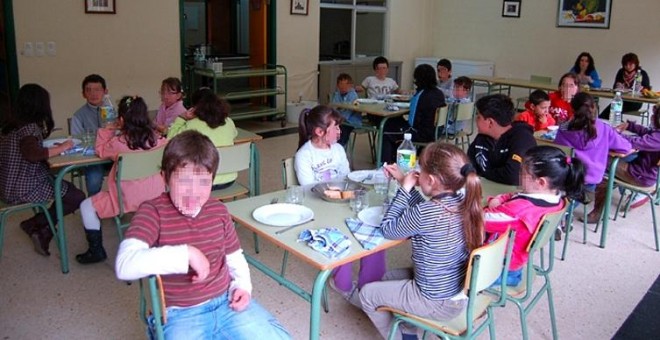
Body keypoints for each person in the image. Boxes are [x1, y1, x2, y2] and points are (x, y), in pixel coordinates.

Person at [115, 131, 291, 339]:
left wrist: (242, 285)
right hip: (180, 313)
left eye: (203, 182)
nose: (194, 192)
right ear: (165, 177)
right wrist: (187, 254)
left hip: (225, 302)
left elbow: (234, 257)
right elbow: (124, 264)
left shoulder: (218, 211)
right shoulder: (153, 212)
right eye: (184, 181)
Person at [359, 142, 483, 340]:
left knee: (367, 294)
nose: (416, 172)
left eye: (420, 169)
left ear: (431, 180)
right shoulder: (462, 201)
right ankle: (409, 331)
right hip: (456, 290)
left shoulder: (427, 213)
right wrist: (402, 180)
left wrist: (405, 189)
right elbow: (423, 213)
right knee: (388, 277)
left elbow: (389, 229)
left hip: (436, 300)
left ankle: (399, 337)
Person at [76, 96, 167, 264]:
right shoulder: (160, 141)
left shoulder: (118, 143)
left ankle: (96, 250)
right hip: (157, 199)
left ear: (122, 120)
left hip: (125, 200)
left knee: (86, 206)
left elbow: (100, 150)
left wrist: (108, 128)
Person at [0, 84, 85, 256]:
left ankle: (39, 225)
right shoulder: (29, 128)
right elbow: (32, 154)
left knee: (65, 187)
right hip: (22, 187)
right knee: (76, 196)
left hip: (7, 185)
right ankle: (38, 225)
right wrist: (63, 148)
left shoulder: (10, 126)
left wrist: (55, 148)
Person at [484, 145, 585, 286]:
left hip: (501, 268)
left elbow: (480, 220)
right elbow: (515, 195)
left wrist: (492, 203)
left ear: (541, 182)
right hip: (518, 259)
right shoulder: (556, 198)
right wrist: (499, 200)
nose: (518, 175)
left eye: (522, 173)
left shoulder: (519, 211)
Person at [585, 104, 660, 223]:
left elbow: (635, 142)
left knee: (601, 160)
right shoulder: (657, 134)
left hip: (640, 175)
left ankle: (590, 201)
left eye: (654, 115)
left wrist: (613, 134)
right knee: (606, 174)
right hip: (643, 171)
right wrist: (630, 125)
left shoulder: (658, 138)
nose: (652, 117)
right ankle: (597, 211)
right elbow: (648, 132)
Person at [554, 93, 632, 203]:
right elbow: (626, 147)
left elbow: (558, 151)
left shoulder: (563, 129)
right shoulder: (604, 128)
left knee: (565, 198)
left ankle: (563, 210)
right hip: (589, 183)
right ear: (594, 107)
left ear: (572, 109)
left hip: (565, 179)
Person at [168, 88, 238, 190]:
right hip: (229, 179)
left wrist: (181, 117)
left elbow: (170, 139)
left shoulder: (192, 125)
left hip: (202, 182)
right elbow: (234, 134)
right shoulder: (229, 121)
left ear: (195, 107)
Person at [380, 64, 446, 164]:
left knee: (386, 129)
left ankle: (386, 164)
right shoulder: (439, 93)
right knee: (395, 122)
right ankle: (396, 159)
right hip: (436, 132)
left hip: (421, 134)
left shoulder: (420, 95)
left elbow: (412, 122)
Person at [468, 94, 536, 185]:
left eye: (478, 117)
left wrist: (484, 174)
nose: (476, 120)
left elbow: (513, 176)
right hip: (487, 190)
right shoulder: (482, 138)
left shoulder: (523, 139)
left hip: (509, 195)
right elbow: (467, 164)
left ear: (490, 122)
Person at [71, 74, 111, 196]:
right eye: (89, 90)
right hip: (93, 158)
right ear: (83, 94)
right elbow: (76, 140)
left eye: (97, 90)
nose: (93, 94)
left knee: (127, 173)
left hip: (113, 154)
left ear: (105, 91)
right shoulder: (79, 115)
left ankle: (118, 204)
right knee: (94, 178)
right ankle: (93, 206)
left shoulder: (112, 110)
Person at [294, 105, 350, 185]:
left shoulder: (339, 149)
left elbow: (346, 178)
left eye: (339, 127)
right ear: (320, 132)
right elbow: (308, 187)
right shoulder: (304, 155)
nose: (339, 131)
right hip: (315, 196)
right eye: (335, 128)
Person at [600, 53, 652, 120]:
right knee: (613, 109)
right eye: (625, 64)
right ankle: (613, 122)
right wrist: (618, 86)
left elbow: (647, 89)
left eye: (630, 64)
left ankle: (606, 122)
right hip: (622, 99)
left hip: (635, 102)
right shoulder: (621, 72)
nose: (628, 66)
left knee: (613, 110)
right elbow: (614, 88)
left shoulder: (642, 73)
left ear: (636, 64)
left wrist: (641, 89)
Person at [331, 73, 360, 146]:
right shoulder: (337, 95)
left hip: (351, 120)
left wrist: (340, 119)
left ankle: (340, 146)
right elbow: (334, 107)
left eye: (346, 84)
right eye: (341, 84)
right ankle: (331, 145)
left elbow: (349, 111)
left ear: (350, 85)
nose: (343, 87)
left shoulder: (353, 95)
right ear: (338, 85)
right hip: (339, 119)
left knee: (343, 128)